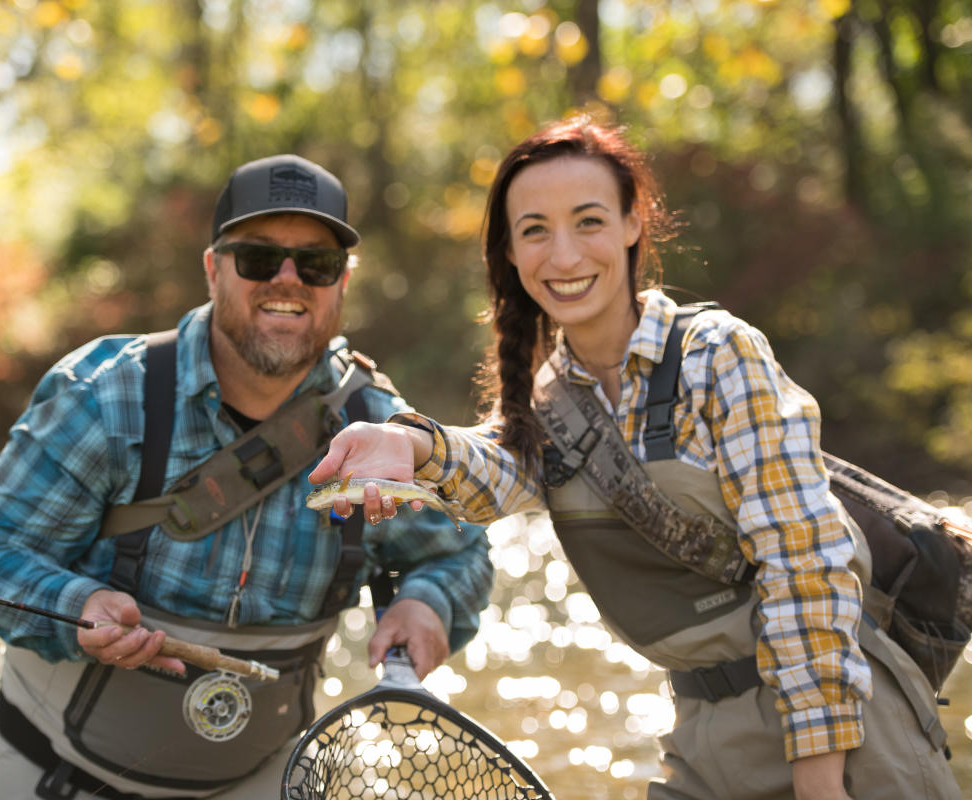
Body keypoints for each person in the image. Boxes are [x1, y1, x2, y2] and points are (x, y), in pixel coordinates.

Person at [311, 118, 961, 800]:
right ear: (510, 251)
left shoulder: (717, 355)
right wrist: (407, 442)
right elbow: (495, 473)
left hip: (841, 731)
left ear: (632, 224)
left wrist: (820, 783)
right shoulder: (552, 401)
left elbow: (803, 567)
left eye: (588, 221)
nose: (563, 256)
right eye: (535, 230)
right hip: (702, 738)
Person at [0, 153, 493, 800]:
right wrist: (75, 608)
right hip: (54, 771)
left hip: (257, 781)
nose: (287, 281)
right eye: (258, 259)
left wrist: (425, 605)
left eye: (315, 265)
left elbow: (460, 558)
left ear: (343, 282)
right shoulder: (104, 395)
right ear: (213, 270)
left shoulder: (378, 428)